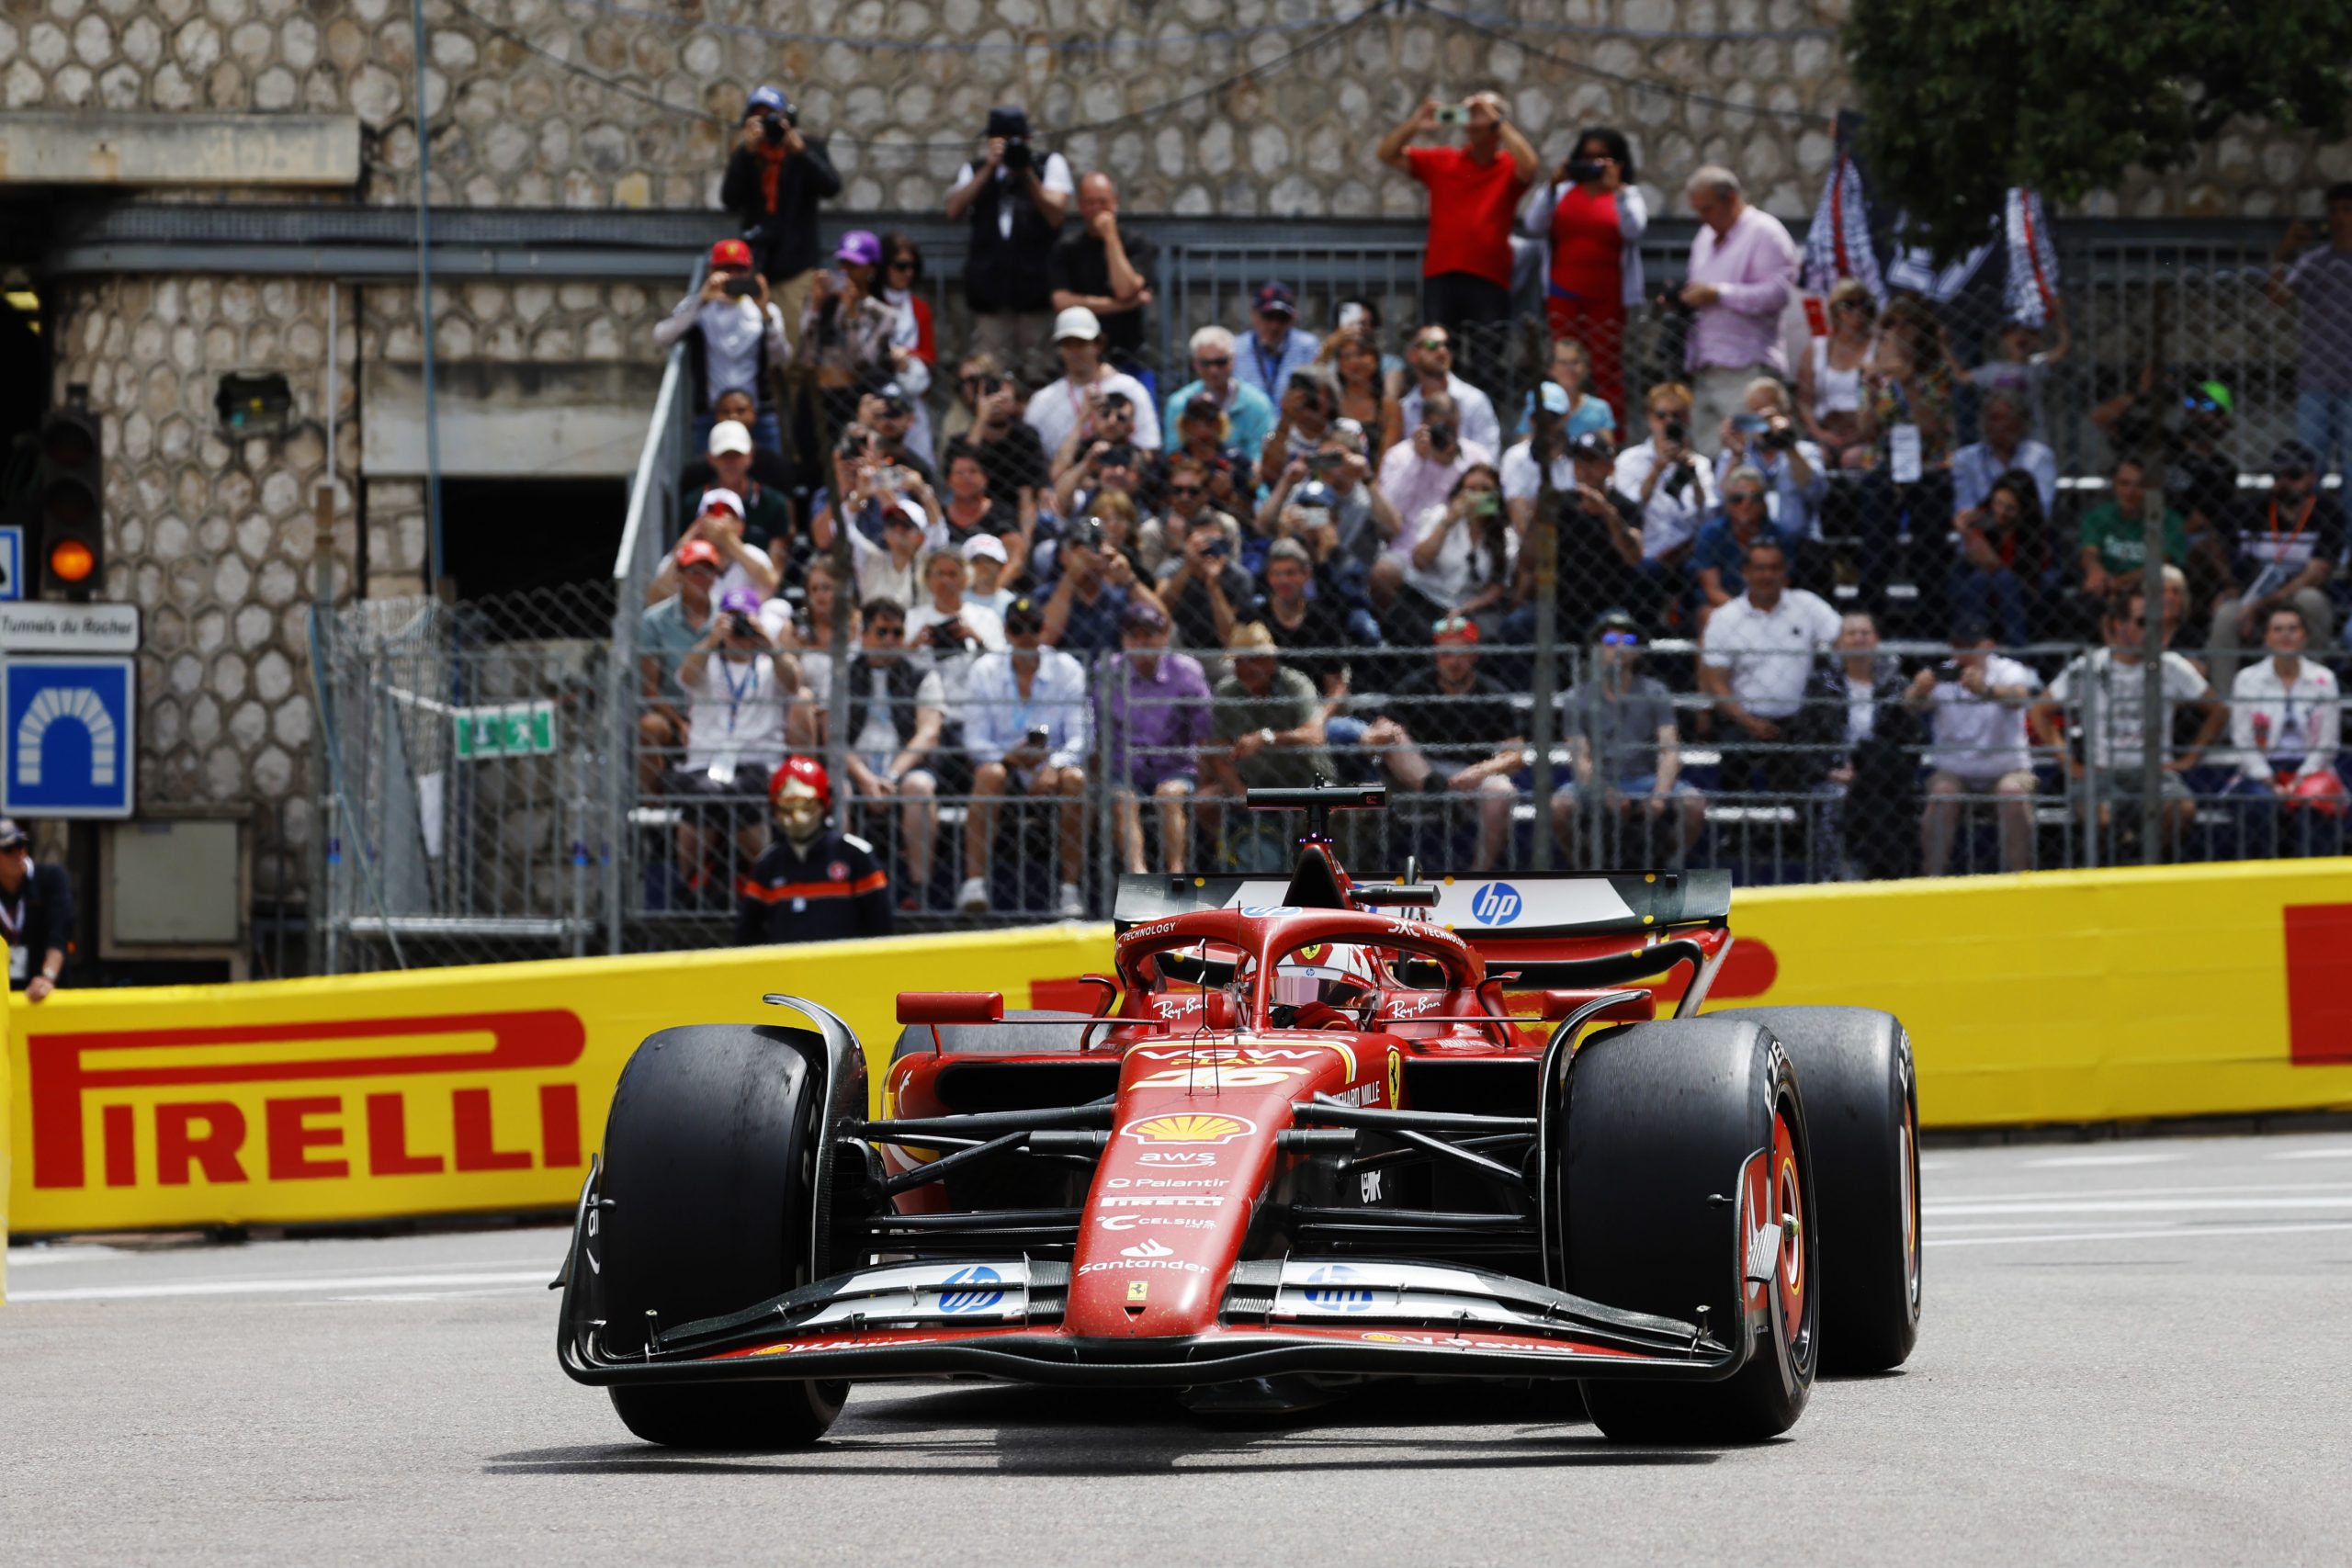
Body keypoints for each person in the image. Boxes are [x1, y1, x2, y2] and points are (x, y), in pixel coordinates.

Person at [2034, 592, 2225, 855]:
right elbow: (2039, 711)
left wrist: (2190, 758)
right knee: (2099, 817)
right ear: (2118, 624)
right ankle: (2106, 874)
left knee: (2182, 809)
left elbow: (2218, 710)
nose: (2152, 630)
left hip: (2154, 772)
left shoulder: (2171, 665)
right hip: (2101, 772)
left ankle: (2152, 869)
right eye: (2142, 622)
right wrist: (2068, 761)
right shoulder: (2090, 666)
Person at [1375, 92, 1537, 384]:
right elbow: (1386, 154)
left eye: (1479, 113)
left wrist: (1497, 121)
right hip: (1442, 275)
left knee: (1485, 363)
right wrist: (1415, 124)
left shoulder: (1508, 167)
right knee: (1436, 355)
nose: (1471, 118)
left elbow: (1530, 167)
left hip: (1490, 279)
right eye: (1469, 112)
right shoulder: (1444, 160)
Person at [957, 594, 1091, 917]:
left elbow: (1082, 737)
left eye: (1033, 627)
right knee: (989, 774)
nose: (1027, 635)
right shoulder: (984, 670)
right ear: (1006, 631)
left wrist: (1054, 765)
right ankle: (974, 886)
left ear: (1043, 629)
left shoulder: (1067, 668)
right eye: (1018, 628)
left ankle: (1069, 891)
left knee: (1075, 778)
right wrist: (1009, 757)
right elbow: (973, 739)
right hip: (1005, 767)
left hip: (1054, 767)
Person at [1359, 617, 1526, 873]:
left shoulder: (1493, 693)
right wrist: (1383, 733)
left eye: (1461, 654)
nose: (1454, 661)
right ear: (1436, 656)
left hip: (1470, 773)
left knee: (1502, 792)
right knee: (1393, 739)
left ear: (1475, 656)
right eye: (1446, 654)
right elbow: (1372, 737)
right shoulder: (1414, 687)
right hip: (1419, 772)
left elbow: (1515, 756)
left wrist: (1480, 771)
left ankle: (1478, 876)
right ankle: (1438, 793)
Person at [671, 587, 802, 898]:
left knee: (741, 794)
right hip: (707, 762)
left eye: (746, 621)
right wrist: (712, 638)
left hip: (758, 761)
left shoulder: (770, 664)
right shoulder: (707, 660)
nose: (740, 630)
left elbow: (794, 683)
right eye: (734, 621)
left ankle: (765, 880)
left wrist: (767, 642)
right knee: (704, 794)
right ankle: (687, 882)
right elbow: (686, 677)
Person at [1552, 611, 1703, 866]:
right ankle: (1584, 864)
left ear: (1638, 652)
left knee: (1694, 804)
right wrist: (1605, 792)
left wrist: (1660, 794)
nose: (1620, 647)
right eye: (1611, 640)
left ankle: (1670, 864)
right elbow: (1580, 758)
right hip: (1598, 779)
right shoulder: (1577, 698)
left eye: (1629, 640)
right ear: (1597, 649)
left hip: (1644, 779)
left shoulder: (1655, 691)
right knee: (1558, 808)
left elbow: (1670, 750)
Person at [1519, 126, 1645, 422]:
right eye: (1587, 158)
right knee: (1565, 365)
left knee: (1605, 367)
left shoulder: (1627, 195)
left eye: (1602, 158)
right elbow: (1534, 225)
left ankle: (1610, 435)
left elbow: (1634, 230)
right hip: (1563, 292)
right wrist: (1550, 186)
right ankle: (1558, 427)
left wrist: (1617, 191)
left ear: (1617, 162)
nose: (1594, 164)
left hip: (1607, 296)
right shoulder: (1562, 192)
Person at [1698, 537, 1842, 795]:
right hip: (1741, 721)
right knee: (1734, 751)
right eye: (1760, 568)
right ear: (1745, 572)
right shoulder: (1724, 618)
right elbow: (1715, 683)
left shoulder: (1807, 605)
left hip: (1799, 722)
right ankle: (1736, 831)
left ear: (1785, 572)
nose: (1768, 575)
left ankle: (1794, 830)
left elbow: (1844, 638)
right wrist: (1748, 721)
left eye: (1775, 568)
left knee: (1801, 765)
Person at [945, 105, 1074, 388]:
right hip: (991, 295)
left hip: (1036, 293)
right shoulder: (977, 170)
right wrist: (990, 169)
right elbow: (953, 209)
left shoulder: (1047, 165)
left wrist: (1026, 173)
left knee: (1039, 374)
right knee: (989, 374)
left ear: (1027, 140)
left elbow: (1056, 214)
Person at [1785, 610, 1918, 880]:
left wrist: (1874, 773)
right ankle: (1834, 879)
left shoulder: (1896, 685)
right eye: (1851, 633)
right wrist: (1830, 771)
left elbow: (1909, 739)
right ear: (1840, 643)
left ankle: (1887, 879)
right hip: (1835, 771)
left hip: (1883, 775)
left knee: (1885, 800)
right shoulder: (1821, 684)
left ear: (1876, 640)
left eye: (1865, 633)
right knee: (1835, 798)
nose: (1858, 639)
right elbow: (1803, 739)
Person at [836, 598, 948, 910]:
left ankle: (919, 889)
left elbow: (929, 732)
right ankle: (841, 888)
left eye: (897, 633)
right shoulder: (842, 676)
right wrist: (865, 777)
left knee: (920, 788)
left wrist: (890, 776)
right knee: (838, 789)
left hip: (903, 767)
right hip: (856, 767)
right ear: (863, 634)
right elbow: (834, 739)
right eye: (881, 632)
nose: (890, 641)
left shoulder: (922, 674)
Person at [1679, 166, 1801, 449]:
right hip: (1706, 366)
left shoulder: (1765, 233)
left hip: (1747, 368)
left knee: (1750, 451)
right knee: (1709, 457)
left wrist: (1720, 294)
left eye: (1707, 209)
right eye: (1697, 211)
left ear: (1730, 199)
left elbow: (1778, 294)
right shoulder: (1704, 237)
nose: (1702, 218)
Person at [2208, 440, 2343, 694]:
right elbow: (2212, 541)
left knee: (2311, 599)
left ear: (2312, 478)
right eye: (2278, 475)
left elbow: (2316, 574)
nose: (2284, 483)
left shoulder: (2327, 512)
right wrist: (2228, 585)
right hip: (2251, 596)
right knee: (2226, 615)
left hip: (2292, 599)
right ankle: (2224, 709)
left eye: (2294, 475)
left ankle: (2309, 693)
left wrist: (2260, 603)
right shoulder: (2250, 509)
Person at [1907, 623, 2042, 875]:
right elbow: (1911, 704)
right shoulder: (1942, 672)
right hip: (1954, 771)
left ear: (1987, 646)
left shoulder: (2006, 670)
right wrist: (1919, 691)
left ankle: (2022, 879)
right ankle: (1931, 881)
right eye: (1957, 647)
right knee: (1942, 793)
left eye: (1969, 647)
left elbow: (2020, 696)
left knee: (2012, 793)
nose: (1962, 654)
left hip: (2008, 769)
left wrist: (1986, 690)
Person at [719, 85, 841, 351]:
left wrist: (801, 153)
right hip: (758, 266)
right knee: (755, 348)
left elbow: (832, 187)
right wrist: (746, 155)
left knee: (796, 348)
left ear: (789, 120)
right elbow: (729, 199)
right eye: (761, 119)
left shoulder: (807, 149)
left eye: (773, 118)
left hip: (796, 267)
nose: (769, 126)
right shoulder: (747, 157)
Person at [1099, 597, 1214, 873]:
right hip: (1125, 768)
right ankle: (1140, 879)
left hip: (1176, 767)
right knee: (1122, 799)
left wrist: (1206, 778)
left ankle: (1176, 876)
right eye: (1134, 636)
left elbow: (1205, 733)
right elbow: (1100, 732)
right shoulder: (1108, 672)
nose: (1141, 643)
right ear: (1124, 640)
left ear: (1163, 637)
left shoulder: (1186, 671)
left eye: (1149, 635)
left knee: (1169, 795)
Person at [1206, 624, 1335, 863]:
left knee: (1329, 803)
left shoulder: (1295, 684)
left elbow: (1315, 735)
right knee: (1204, 802)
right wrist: (1239, 791)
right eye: (1238, 662)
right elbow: (1217, 753)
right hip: (1253, 784)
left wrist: (1267, 737)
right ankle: (1232, 857)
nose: (1245, 668)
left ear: (1271, 661)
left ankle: (1323, 872)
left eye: (1253, 660)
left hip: (1305, 781)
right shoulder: (1226, 693)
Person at [733, 756, 893, 944]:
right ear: (775, 809)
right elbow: (748, 934)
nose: (797, 817)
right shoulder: (768, 864)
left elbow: (882, 928)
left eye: (806, 806)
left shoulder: (855, 856)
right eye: (787, 808)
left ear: (824, 804)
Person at [2226, 605, 2344, 852]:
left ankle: (2313, 882)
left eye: (2293, 629)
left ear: (2305, 636)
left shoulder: (2324, 679)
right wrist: (2268, 779)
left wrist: (2300, 778)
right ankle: (2263, 880)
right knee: (2259, 803)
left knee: (2314, 802)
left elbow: (2328, 743)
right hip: (2262, 768)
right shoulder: (2247, 680)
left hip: (2311, 768)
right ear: (2266, 638)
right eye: (2277, 629)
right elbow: (2242, 739)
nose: (2286, 635)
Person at [655, 238, 787, 453]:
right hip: (712, 413)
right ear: (711, 271)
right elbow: (661, 336)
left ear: (751, 272)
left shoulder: (765, 310)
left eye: (739, 269)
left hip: (757, 413)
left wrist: (765, 313)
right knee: (706, 479)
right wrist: (701, 301)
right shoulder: (697, 307)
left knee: (772, 476)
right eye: (725, 269)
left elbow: (781, 358)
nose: (733, 276)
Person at [2267, 180, 2352, 477]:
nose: (2340, 219)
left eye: (2347, 211)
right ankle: (2309, 523)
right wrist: (2283, 254)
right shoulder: (2314, 262)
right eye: (2334, 212)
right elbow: (2278, 297)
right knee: (2308, 467)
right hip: (2317, 379)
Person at [1616, 380, 1717, 604]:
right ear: (1650, 419)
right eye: (1662, 415)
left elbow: (1706, 515)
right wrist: (1657, 469)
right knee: (1645, 572)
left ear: (1687, 419)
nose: (1669, 422)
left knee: (1698, 570)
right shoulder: (1630, 460)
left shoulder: (1699, 464)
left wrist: (1693, 477)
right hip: (1647, 553)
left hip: (1685, 554)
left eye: (1677, 415)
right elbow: (1629, 508)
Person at [637, 537, 724, 794]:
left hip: (718, 713)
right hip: (674, 714)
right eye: (694, 571)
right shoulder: (654, 621)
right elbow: (649, 688)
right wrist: (681, 723)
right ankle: (652, 807)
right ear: (679, 576)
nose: (701, 578)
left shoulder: (727, 617)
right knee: (650, 727)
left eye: (708, 571)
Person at [1048, 172, 1156, 376]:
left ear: (1115, 203)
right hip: (1081, 362)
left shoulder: (1137, 243)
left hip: (1129, 357)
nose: (1097, 210)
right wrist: (1122, 305)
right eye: (1090, 203)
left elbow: (1124, 289)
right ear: (1080, 205)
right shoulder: (1066, 248)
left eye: (1103, 202)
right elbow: (1061, 302)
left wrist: (1110, 237)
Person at [1024, 307, 1160, 459]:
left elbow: (1149, 448)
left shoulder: (1129, 388)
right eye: (1068, 344)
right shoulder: (1043, 400)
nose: (1075, 351)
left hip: (1120, 474)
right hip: (1063, 479)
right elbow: (1032, 460)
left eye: (1082, 343)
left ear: (1099, 344)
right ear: (1059, 349)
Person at [1396, 463, 1516, 626]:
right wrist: (1448, 522)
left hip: (1467, 606)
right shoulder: (1439, 515)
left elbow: (1498, 585)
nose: (1478, 495)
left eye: (1486, 490)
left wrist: (1466, 608)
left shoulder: (1505, 536)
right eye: (1472, 489)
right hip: (1426, 597)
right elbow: (1420, 561)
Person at [1713, 378, 1827, 541]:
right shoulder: (1733, 455)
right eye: (1754, 413)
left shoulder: (1806, 451)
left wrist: (1788, 445)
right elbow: (1720, 501)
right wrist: (1736, 456)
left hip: (1800, 543)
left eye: (1767, 413)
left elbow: (1816, 492)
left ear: (1785, 414)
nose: (1761, 420)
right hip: (1749, 546)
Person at [1691, 465, 1802, 630]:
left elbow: (1782, 585)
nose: (1746, 504)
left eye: (1755, 498)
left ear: (1764, 502)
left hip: (1769, 603)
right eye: (1738, 499)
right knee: (1708, 616)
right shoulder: (1711, 533)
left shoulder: (1779, 536)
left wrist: (1760, 612)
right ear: (1728, 503)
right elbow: (1712, 589)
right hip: (1723, 604)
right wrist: (1744, 613)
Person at [1951, 469, 2051, 651]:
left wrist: (1970, 535)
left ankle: (2017, 655)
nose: (2001, 512)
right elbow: (1978, 561)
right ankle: (1971, 649)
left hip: (2020, 598)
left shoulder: (2034, 533)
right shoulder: (1982, 517)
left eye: (2010, 508)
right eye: (1997, 503)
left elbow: (2000, 567)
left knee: (2002, 578)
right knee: (1978, 578)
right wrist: (1968, 531)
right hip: (1982, 595)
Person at [680, 420, 794, 570]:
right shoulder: (692, 503)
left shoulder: (775, 503)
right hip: (705, 587)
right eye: (724, 455)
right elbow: (682, 563)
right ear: (710, 458)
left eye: (737, 455)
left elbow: (775, 570)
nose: (731, 462)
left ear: (750, 456)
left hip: (758, 589)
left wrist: (728, 542)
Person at [647, 488, 781, 606]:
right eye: (712, 513)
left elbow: (771, 585)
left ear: (741, 527)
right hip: (695, 629)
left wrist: (729, 543)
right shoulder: (685, 553)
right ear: (699, 523)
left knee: (777, 609)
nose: (719, 521)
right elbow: (655, 599)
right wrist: (684, 543)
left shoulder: (752, 553)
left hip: (741, 628)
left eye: (728, 515)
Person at [1164, 325, 1277, 464]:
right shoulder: (1178, 403)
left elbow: (1261, 454)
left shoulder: (1258, 404)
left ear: (1233, 360)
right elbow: (1173, 457)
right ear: (1194, 363)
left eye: (1221, 362)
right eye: (1205, 363)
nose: (1213, 370)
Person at [1041, 515, 1148, 660]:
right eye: (1078, 546)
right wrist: (1070, 578)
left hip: (1112, 679)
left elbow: (1162, 627)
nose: (1088, 552)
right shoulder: (1045, 595)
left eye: (1096, 543)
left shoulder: (1120, 597)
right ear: (1062, 556)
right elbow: (1043, 640)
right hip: (1062, 680)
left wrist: (1128, 579)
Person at [1797, 277, 1878, 469]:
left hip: (1866, 432)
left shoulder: (1879, 348)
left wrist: (1862, 431)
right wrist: (1820, 434)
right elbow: (1804, 402)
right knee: (1815, 459)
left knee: (1852, 458)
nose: (1858, 311)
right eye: (1849, 305)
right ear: (1836, 310)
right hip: (1826, 431)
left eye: (1864, 304)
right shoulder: (1817, 348)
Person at [1158, 507, 1256, 656]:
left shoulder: (1239, 576)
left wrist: (1213, 585)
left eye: (1215, 542)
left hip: (1224, 655)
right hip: (1178, 652)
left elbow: (1231, 638)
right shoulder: (1172, 568)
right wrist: (1188, 567)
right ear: (1187, 544)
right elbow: (1158, 609)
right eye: (1202, 543)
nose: (1209, 548)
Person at [1966, 304, 2071, 443]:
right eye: (2014, 333)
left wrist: (2060, 316)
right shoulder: (1994, 368)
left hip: (2032, 432)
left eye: (2028, 333)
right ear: (2004, 339)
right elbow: (1961, 376)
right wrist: (1944, 347)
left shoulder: (2036, 363)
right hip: (2002, 432)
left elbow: (2063, 348)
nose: (2021, 336)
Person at [1396, 324, 1502, 457]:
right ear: (1413, 355)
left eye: (1446, 345)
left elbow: (1489, 458)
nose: (1442, 351)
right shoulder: (1405, 408)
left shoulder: (1475, 400)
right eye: (1432, 345)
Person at [1951, 391, 2058, 523]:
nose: (1997, 425)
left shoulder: (2039, 457)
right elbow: (1965, 513)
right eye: (1992, 418)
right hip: (1977, 537)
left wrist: (1987, 515)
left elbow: (2041, 511)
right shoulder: (1966, 459)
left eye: (2004, 418)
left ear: (2019, 422)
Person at [0, 818, 73, 999]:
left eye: (22, 845)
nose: (19, 853)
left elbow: (59, 936)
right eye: (9, 849)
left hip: (46, 997)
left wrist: (47, 978)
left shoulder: (52, 877)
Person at [1319, 326, 1404, 456]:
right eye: (1346, 356)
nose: (1354, 362)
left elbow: (1387, 456)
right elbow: (1308, 381)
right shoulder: (1328, 401)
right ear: (1339, 364)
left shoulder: (1389, 406)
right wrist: (1328, 348)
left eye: (1362, 354)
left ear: (1376, 360)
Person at [1233, 281, 1321, 401]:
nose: (1274, 326)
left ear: (1293, 317)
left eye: (1282, 318)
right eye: (1268, 316)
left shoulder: (1307, 347)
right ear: (1253, 313)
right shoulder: (1236, 348)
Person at [963, 533, 1014, 617]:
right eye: (976, 560)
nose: (983, 565)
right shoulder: (954, 599)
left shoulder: (1010, 602)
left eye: (989, 560)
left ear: (1001, 565)